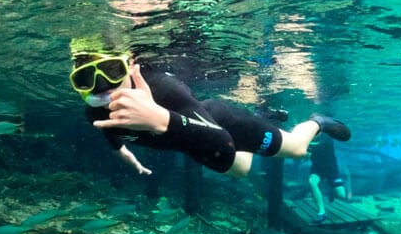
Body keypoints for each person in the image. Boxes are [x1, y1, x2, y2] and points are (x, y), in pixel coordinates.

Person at [69, 47, 351, 178]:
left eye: (112, 71)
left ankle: (318, 121)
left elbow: (222, 147)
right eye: (85, 79)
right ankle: (263, 116)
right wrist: (134, 162)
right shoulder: (96, 114)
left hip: (223, 124)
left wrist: (161, 120)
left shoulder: (165, 89)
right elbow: (115, 142)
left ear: (130, 65)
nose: (102, 86)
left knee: (298, 149)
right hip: (198, 140)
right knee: (240, 171)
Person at [307, 132, 348, 220]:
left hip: (331, 169)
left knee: (341, 196)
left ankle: (332, 192)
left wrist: (305, 143)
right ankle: (321, 212)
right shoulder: (308, 139)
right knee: (312, 182)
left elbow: (320, 145)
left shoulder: (326, 136)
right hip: (317, 169)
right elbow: (307, 153)